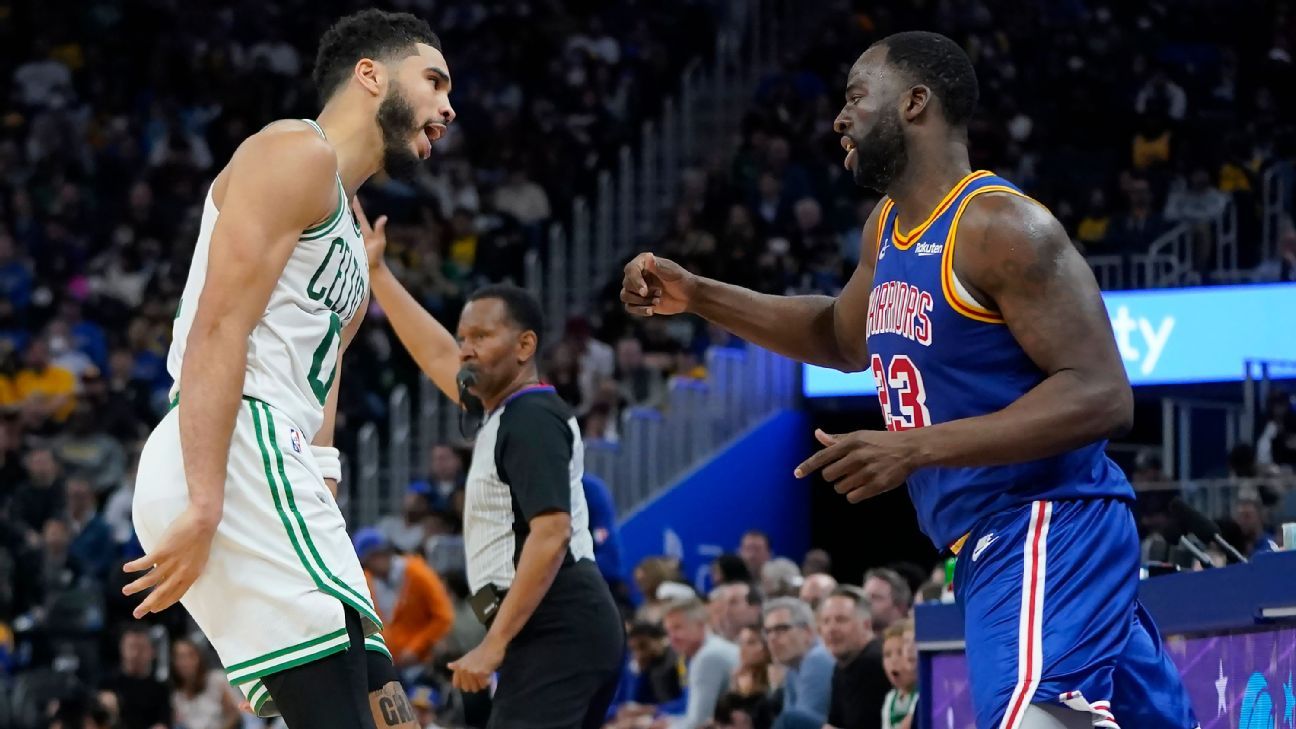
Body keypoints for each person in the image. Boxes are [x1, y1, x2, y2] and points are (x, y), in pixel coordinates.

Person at [621, 30, 1197, 729]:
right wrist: (701, 294)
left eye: (857, 97)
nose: (839, 118)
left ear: (916, 103)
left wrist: (917, 446)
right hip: (993, 540)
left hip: (1048, 520)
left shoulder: (1002, 226)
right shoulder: (886, 228)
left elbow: (1103, 392)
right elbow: (838, 336)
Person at [126, 9, 454, 727]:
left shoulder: (351, 238)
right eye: (433, 80)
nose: (448, 106)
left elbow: (322, 377)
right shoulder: (294, 153)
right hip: (235, 444)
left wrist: (323, 487)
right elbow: (219, 326)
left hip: (282, 463)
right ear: (371, 74)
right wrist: (206, 501)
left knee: (376, 695)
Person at [359, 209, 624, 727]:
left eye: (481, 336)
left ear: (525, 345)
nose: (465, 348)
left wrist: (494, 643)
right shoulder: (507, 414)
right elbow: (439, 356)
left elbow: (551, 533)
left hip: (558, 622)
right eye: (464, 336)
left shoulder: (530, 417)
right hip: (555, 625)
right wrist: (379, 276)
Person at [661, 598, 741, 729]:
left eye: (677, 628)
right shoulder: (709, 649)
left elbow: (699, 722)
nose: (672, 638)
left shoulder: (707, 657)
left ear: (700, 625)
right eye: (668, 631)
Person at [819, 589, 890, 729]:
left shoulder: (875, 663)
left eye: (841, 620)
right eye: (826, 621)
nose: (831, 629)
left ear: (866, 625)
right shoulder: (841, 666)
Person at [761, 597, 835, 727]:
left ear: (807, 631)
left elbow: (798, 724)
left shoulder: (817, 659)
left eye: (781, 629)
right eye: (768, 632)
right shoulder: (792, 667)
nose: (772, 638)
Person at [171, 637, 242, 729]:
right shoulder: (176, 696)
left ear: (199, 657)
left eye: (190, 655)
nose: (185, 662)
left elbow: (234, 715)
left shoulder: (216, 680)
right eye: (180, 657)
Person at [879, 620, 917, 729]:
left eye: (900, 652)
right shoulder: (890, 699)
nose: (893, 661)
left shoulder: (922, 696)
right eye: (887, 655)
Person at [860, 568, 910, 632]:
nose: (867, 602)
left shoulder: (911, 640)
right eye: (865, 597)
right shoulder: (854, 640)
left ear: (900, 607)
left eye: (876, 597)